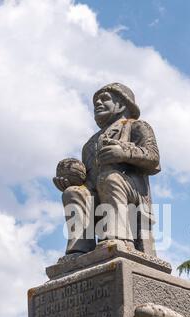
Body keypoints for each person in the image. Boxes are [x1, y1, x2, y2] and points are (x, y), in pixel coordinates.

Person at [53, 83, 161, 258]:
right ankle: (79, 248)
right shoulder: (89, 144)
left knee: (109, 178)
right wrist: (74, 183)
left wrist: (124, 152)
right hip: (102, 187)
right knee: (73, 193)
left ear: (122, 104)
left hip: (131, 189)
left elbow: (153, 158)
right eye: (96, 101)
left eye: (104, 99)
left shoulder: (137, 126)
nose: (98, 104)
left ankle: (119, 238)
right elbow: (90, 181)